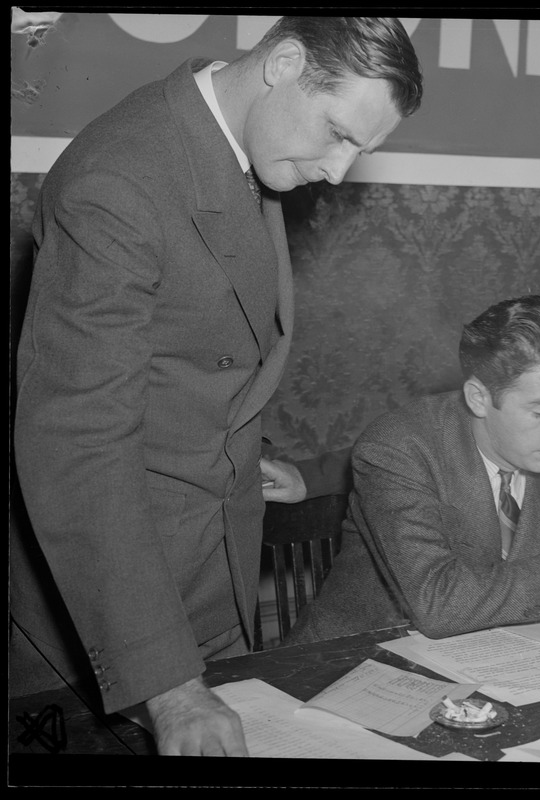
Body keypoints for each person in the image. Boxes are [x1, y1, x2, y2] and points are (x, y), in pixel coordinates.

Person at [11, 16, 422, 757]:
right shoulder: (118, 180)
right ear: (285, 63)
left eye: (360, 149)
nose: (337, 169)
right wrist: (170, 689)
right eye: (337, 133)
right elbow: (76, 445)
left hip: (215, 582)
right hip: (113, 634)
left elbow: (203, 354)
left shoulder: (237, 145)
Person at [284, 296, 540, 644]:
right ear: (479, 398)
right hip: (357, 658)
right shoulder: (398, 449)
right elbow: (437, 604)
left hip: (502, 660)